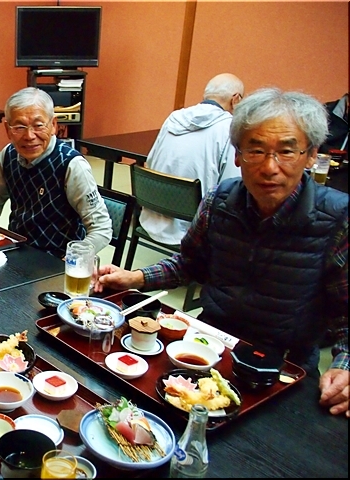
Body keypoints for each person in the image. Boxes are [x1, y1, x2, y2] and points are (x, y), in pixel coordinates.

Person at [94, 88, 349, 417]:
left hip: (284, 369)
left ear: (311, 155)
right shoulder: (220, 200)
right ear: (237, 155)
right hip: (208, 347)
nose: (270, 167)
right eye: (255, 150)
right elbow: (189, 264)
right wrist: (134, 277)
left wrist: (344, 366)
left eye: (287, 152)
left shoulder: (338, 218)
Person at [0, 87, 112, 258]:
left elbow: (101, 228)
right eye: (20, 127)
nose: (29, 136)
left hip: (57, 259)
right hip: (17, 251)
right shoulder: (9, 154)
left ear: (53, 125)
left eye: (38, 125)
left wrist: (72, 258)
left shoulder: (72, 165)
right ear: (7, 129)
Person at [139, 73, 245, 245]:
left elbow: (150, 162)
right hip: (195, 230)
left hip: (151, 216)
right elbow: (232, 185)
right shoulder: (229, 128)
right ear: (236, 100)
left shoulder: (174, 117)